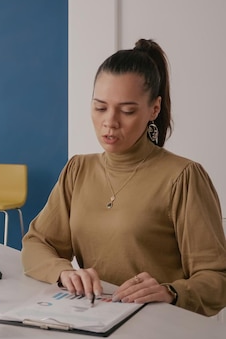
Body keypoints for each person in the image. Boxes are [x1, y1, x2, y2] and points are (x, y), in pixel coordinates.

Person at [21, 39, 226, 316]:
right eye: (100, 107)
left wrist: (171, 292)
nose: (110, 122)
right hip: (95, 321)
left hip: (159, 328)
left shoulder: (184, 178)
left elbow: (217, 279)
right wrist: (63, 272)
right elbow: (36, 244)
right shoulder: (78, 170)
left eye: (127, 111)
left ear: (154, 109)